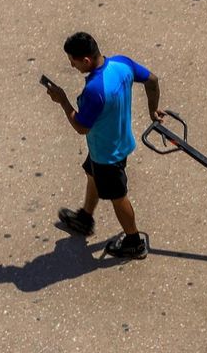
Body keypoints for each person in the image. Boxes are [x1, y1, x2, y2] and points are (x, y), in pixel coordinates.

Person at [44, 32, 164, 259]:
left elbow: (81, 127)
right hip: (118, 140)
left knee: (119, 197)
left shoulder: (94, 91)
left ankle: (134, 242)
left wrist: (62, 100)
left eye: (73, 61)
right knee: (92, 175)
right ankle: (85, 218)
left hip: (107, 154)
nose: (71, 65)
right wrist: (153, 110)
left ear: (86, 61)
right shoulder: (121, 63)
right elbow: (152, 80)